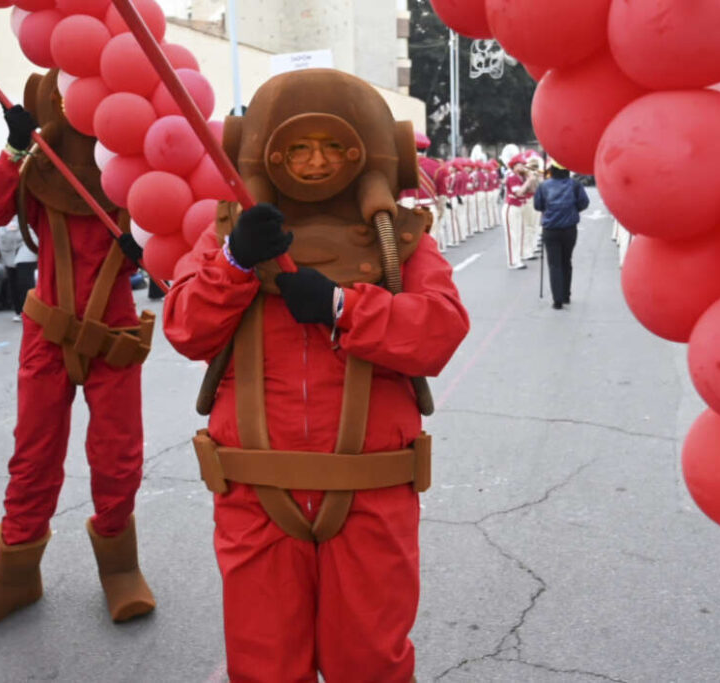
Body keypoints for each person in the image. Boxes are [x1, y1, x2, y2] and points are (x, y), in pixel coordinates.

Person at [164, 68, 469, 682]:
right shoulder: (228, 235)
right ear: (267, 153)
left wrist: (342, 308)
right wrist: (233, 265)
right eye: (298, 148)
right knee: (264, 664)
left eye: (333, 147)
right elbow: (185, 328)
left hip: (370, 495)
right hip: (255, 495)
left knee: (371, 663)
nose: (314, 164)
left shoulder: (402, 240)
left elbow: (439, 330)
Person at [0, 70, 155, 633]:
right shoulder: (38, 169)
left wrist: (148, 242)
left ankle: (119, 566)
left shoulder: (132, 173)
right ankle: (16, 574)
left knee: (118, 456)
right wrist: (14, 147)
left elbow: (180, 239)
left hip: (113, 335)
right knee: (33, 454)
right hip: (48, 334)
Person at [533, 160, 590, 310]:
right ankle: (566, 295)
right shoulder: (575, 185)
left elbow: (537, 205)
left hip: (550, 230)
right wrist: (572, 210)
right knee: (567, 261)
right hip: (569, 229)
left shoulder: (544, 186)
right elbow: (584, 203)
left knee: (554, 265)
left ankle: (557, 300)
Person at [0, 216, 37, 322]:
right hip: (6, 245)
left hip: (27, 241)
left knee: (24, 279)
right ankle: (19, 310)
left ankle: (31, 310)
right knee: (13, 279)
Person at [503, 154, 529, 269]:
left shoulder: (520, 177)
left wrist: (528, 178)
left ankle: (517, 258)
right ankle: (513, 261)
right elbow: (518, 192)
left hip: (519, 206)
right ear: (514, 166)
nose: (523, 166)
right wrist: (529, 180)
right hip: (511, 206)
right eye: (520, 164)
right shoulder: (512, 176)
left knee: (518, 233)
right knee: (512, 235)